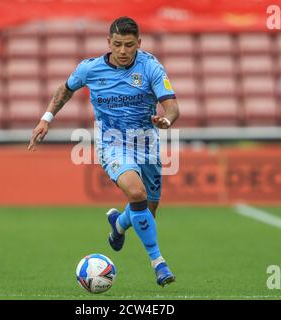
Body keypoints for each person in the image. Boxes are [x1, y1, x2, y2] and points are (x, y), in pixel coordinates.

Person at [28, 17, 180, 286]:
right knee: (137, 193)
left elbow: (172, 106)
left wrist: (166, 119)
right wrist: (46, 118)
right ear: (108, 43)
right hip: (112, 143)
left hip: (147, 144)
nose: (123, 51)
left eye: (129, 45)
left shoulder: (151, 67)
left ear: (138, 44)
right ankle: (159, 264)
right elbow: (65, 90)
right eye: (118, 44)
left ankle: (119, 224)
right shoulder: (90, 69)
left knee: (147, 210)